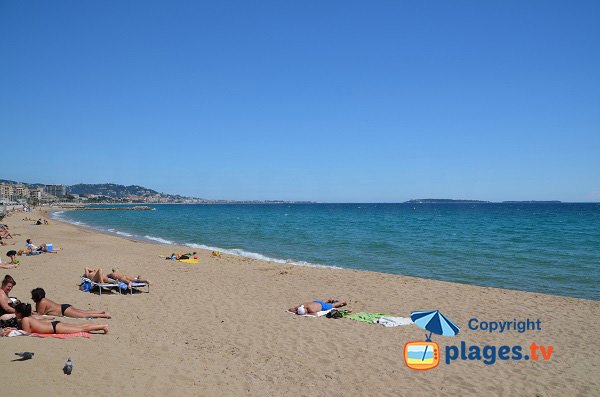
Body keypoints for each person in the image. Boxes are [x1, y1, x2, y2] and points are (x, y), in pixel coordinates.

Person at [11, 303, 108, 334]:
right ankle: (101, 326)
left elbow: (26, 333)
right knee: (80, 327)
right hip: (55, 325)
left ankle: (103, 326)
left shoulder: (25, 320)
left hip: (55, 328)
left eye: (15, 312)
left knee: (80, 328)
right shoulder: (29, 317)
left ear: (19, 313)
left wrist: (13, 329)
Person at [31, 288, 111, 319]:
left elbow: (39, 314)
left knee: (84, 315)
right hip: (64, 307)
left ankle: (104, 315)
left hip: (64, 310)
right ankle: (101, 312)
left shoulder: (42, 302)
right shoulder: (43, 300)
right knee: (83, 311)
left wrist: (30, 311)